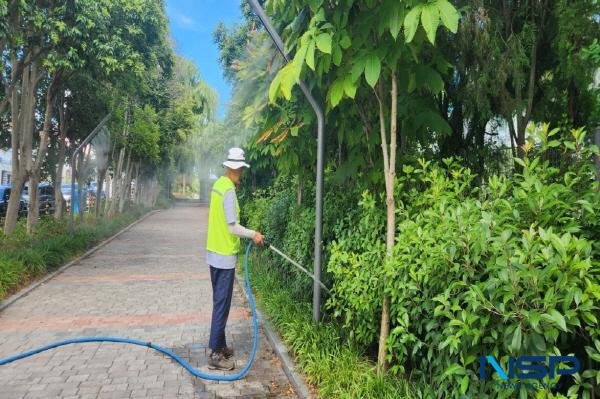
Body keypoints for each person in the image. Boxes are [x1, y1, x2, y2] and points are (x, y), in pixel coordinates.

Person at [206, 147, 264, 371]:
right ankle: (215, 355)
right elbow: (232, 227)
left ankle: (219, 345)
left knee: (219, 303)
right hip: (224, 255)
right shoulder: (228, 190)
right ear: (236, 168)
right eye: (240, 169)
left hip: (213, 253)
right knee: (222, 305)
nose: (241, 174)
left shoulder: (218, 186)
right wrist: (254, 235)